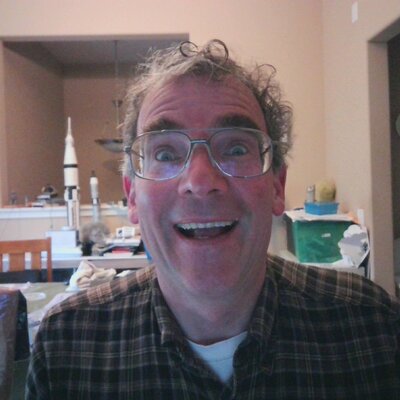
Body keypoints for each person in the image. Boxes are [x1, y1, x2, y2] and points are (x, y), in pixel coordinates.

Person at [26, 40, 399, 399]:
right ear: (133, 195)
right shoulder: (66, 345)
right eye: (166, 154)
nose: (201, 182)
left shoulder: (372, 330)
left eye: (235, 148)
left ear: (277, 186)